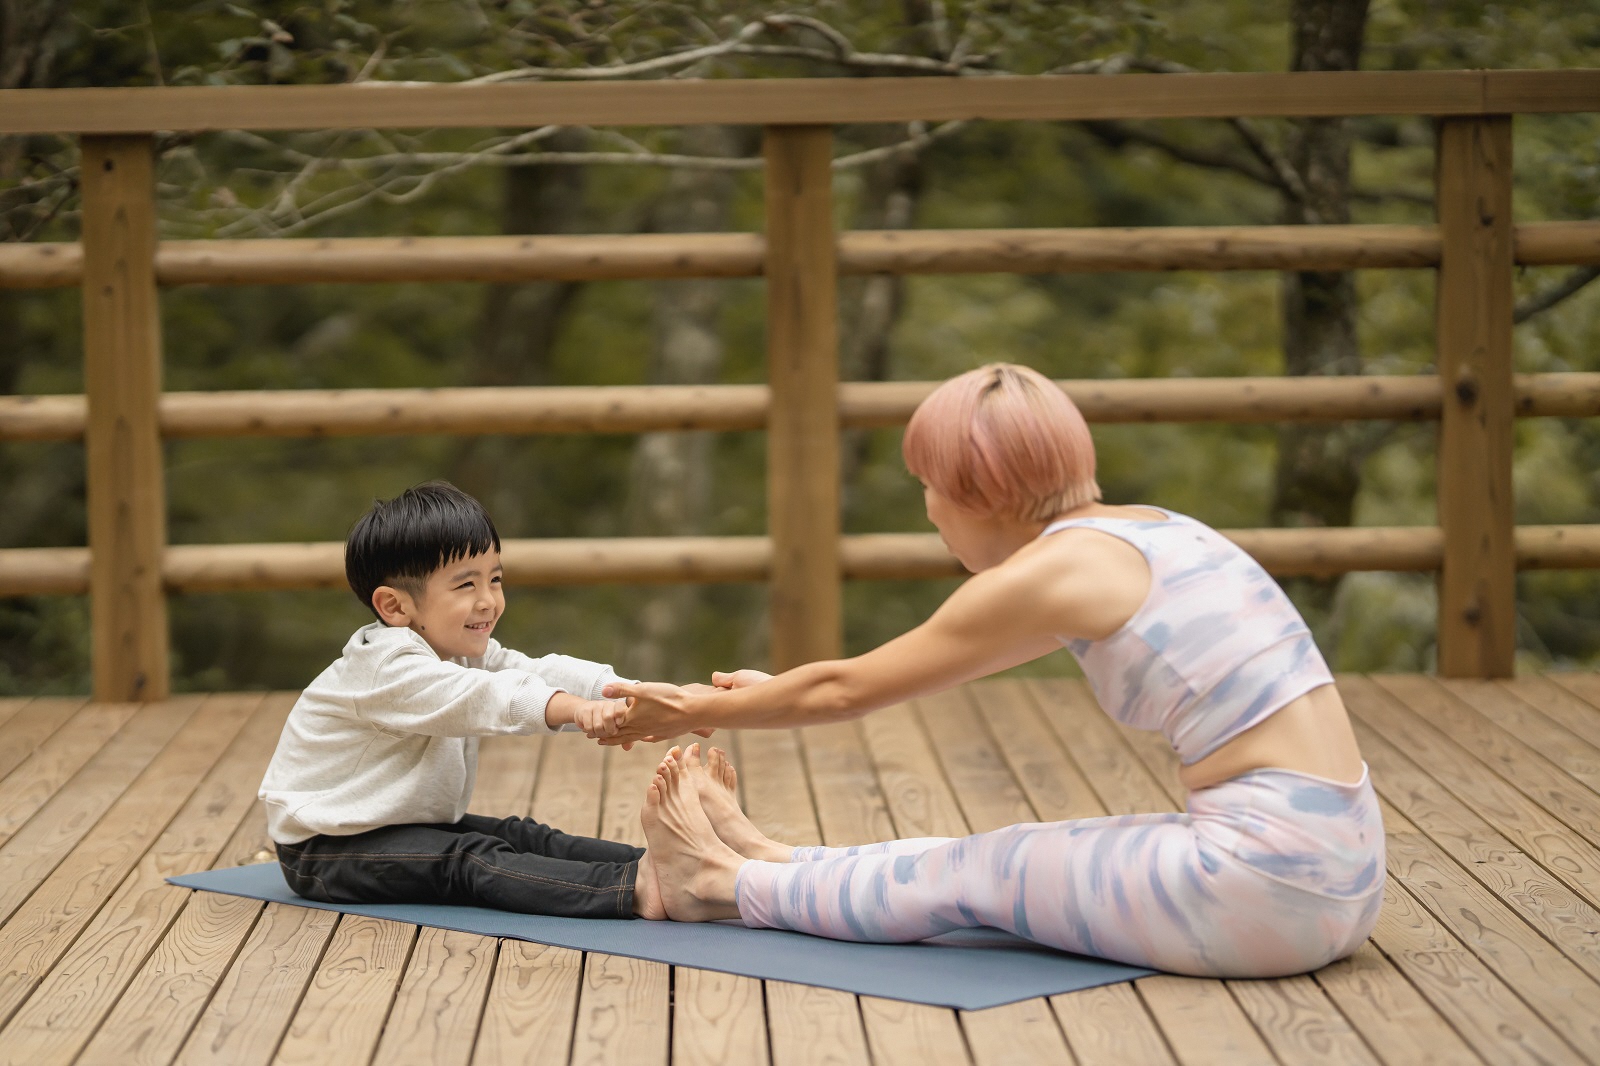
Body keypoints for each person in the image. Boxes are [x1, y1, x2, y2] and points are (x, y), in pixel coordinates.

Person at [600, 363, 1385, 978]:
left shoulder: (1050, 573)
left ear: (984, 492)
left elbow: (848, 690)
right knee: (996, 853)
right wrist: (764, 695)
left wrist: (687, 707)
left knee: (979, 872)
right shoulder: (1152, 534)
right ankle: (773, 860)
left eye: (932, 490)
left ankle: (718, 887)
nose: (931, 513)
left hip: (1268, 890)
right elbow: (883, 671)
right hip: (1335, 867)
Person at [260, 481, 669, 919]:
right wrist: (576, 709)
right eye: (465, 586)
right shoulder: (387, 666)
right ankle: (639, 890)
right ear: (395, 608)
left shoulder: (455, 649)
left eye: (494, 579)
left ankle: (664, 865)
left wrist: (634, 693)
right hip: (323, 849)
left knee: (524, 836)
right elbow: (485, 697)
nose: (488, 601)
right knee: (468, 859)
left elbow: (532, 670)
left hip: (397, 824)